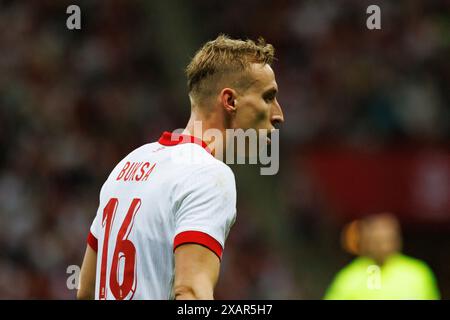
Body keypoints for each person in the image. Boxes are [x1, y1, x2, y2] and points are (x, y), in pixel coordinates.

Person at [77, 34, 284, 300]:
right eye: (268, 97)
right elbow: (191, 294)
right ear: (230, 101)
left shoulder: (127, 165)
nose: (279, 114)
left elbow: (86, 290)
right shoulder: (208, 175)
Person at [324, 213, 440, 300]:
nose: (383, 246)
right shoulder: (349, 278)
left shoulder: (418, 274)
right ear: (366, 241)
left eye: (387, 239)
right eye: (377, 240)